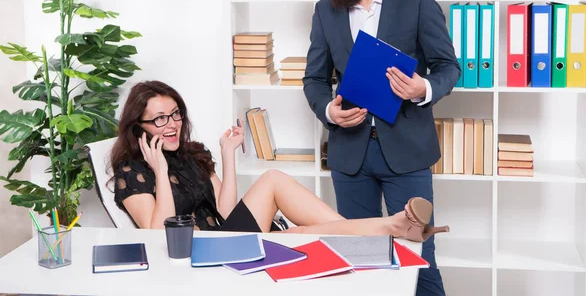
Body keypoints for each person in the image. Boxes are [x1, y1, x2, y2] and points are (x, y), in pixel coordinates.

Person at [302, 0, 460, 296]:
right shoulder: (326, 9)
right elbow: (314, 79)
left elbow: (448, 67)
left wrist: (421, 88)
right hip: (350, 156)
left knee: (419, 257)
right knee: (358, 260)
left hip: (407, 153)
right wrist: (329, 111)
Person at [110, 80, 449, 241]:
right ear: (137, 126)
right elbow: (158, 238)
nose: (171, 125)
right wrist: (160, 169)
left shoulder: (189, 154)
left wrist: (228, 155)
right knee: (275, 188)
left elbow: (226, 212)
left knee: (300, 228)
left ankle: (383, 231)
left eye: (175, 114)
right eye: (159, 119)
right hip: (198, 253)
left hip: (224, 238)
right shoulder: (132, 172)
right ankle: (387, 229)